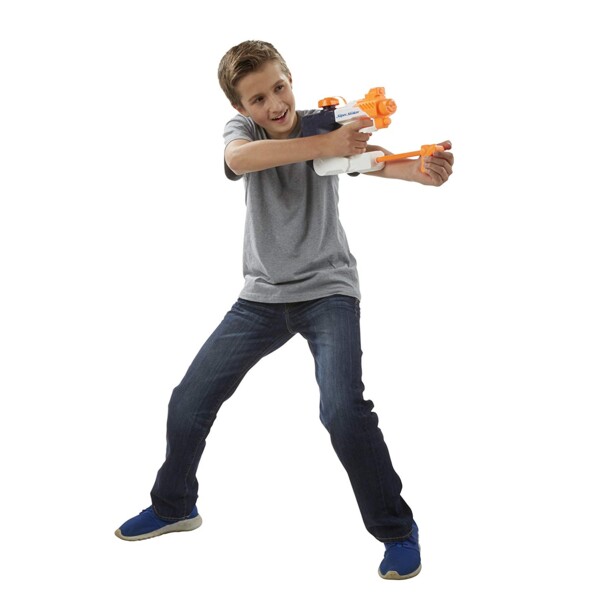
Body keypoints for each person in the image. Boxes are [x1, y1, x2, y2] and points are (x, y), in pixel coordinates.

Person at [115, 40, 454, 581]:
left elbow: (368, 159)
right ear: (240, 107)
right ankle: (175, 506)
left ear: (290, 79)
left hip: (328, 291)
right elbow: (238, 160)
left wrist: (418, 170)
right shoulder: (244, 134)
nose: (274, 104)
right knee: (188, 401)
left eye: (279, 88)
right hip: (262, 298)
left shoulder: (325, 121)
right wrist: (323, 143)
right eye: (258, 99)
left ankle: (396, 531)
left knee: (342, 411)